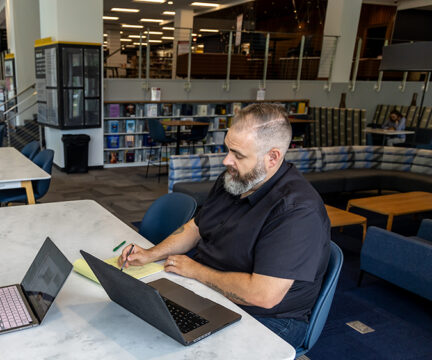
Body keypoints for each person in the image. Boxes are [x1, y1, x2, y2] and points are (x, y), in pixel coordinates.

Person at [119, 103, 330, 349]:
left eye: (238, 155)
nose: (226, 160)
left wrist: (195, 270)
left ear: (272, 157)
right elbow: (196, 227)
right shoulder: (236, 178)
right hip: (210, 292)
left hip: (267, 319)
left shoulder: (297, 211)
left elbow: (263, 296)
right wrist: (150, 254)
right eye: (228, 149)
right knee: (135, 320)